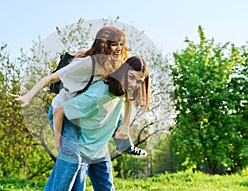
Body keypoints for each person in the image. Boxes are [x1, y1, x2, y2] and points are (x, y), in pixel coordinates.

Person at [9, 26, 146, 190]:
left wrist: (125, 126)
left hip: (83, 116)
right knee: (72, 159)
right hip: (64, 113)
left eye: (121, 44)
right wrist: (28, 96)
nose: (118, 48)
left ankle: (127, 146)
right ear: (104, 45)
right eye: (113, 44)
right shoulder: (88, 63)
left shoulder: (119, 65)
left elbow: (127, 95)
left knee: (114, 118)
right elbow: (52, 79)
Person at [53, 56, 151, 190]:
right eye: (131, 77)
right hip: (77, 137)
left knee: (106, 187)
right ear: (123, 72)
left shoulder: (122, 87)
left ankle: (128, 147)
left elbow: (128, 100)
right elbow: (58, 111)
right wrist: (58, 142)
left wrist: (126, 126)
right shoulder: (96, 96)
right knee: (71, 180)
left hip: (97, 144)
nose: (134, 84)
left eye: (139, 81)